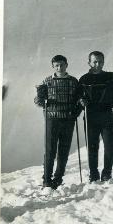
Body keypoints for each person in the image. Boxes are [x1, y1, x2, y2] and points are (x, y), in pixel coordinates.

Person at [34, 55, 82, 189]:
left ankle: (58, 178)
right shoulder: (47, 81)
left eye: (61, 65)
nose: (59, 67)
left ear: (66, 65)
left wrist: (78, 109)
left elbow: (79, 99)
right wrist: (40, 98)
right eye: (56, 65)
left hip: (68, 119)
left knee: (64, 150)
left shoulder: (73, 81)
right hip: (52, 119)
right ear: (53, 67)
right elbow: (38, 101)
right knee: (50, 150)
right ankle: (47, 179)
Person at [79, 51, 113, 182]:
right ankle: (93, 174)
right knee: (92, 147)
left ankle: (107, 173)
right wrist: (81, 101)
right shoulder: (84, 79)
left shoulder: (110, 76)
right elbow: (79, 97)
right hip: (90, 116)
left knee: (110, 147)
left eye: (100, 61)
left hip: (106, 114)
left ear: (104, 62)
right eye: (95, 61)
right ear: (89, 62)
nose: (98, 64)